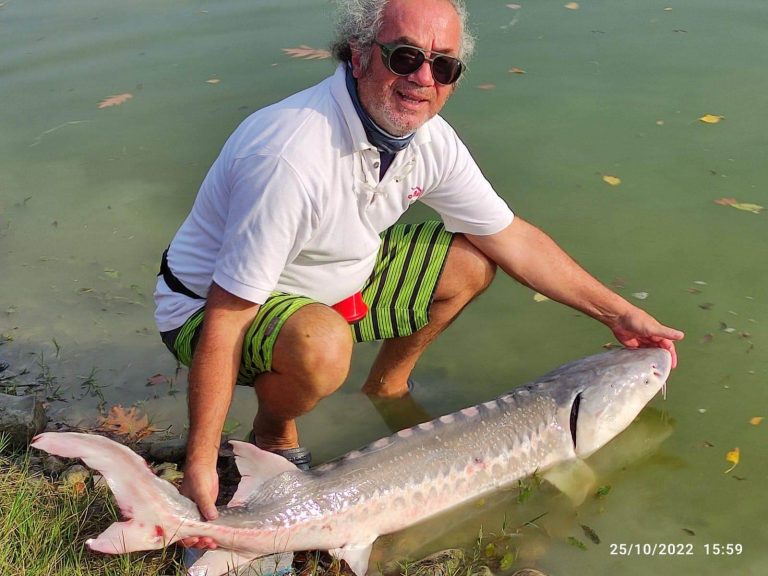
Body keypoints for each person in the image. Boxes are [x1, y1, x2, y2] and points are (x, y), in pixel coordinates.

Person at [154, 0, 684, 549]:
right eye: (405, 57)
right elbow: (225, 316)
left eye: (444, 66)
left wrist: (619, 313)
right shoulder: (290, 158)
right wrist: (200, 462)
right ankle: (273, 436)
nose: (423, 79)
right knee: (320, 343)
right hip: (206, 307)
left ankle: (388, 386)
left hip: (337, 282)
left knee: (473, 260)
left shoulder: (428, 139)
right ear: (358, 56)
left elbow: (513, 239)